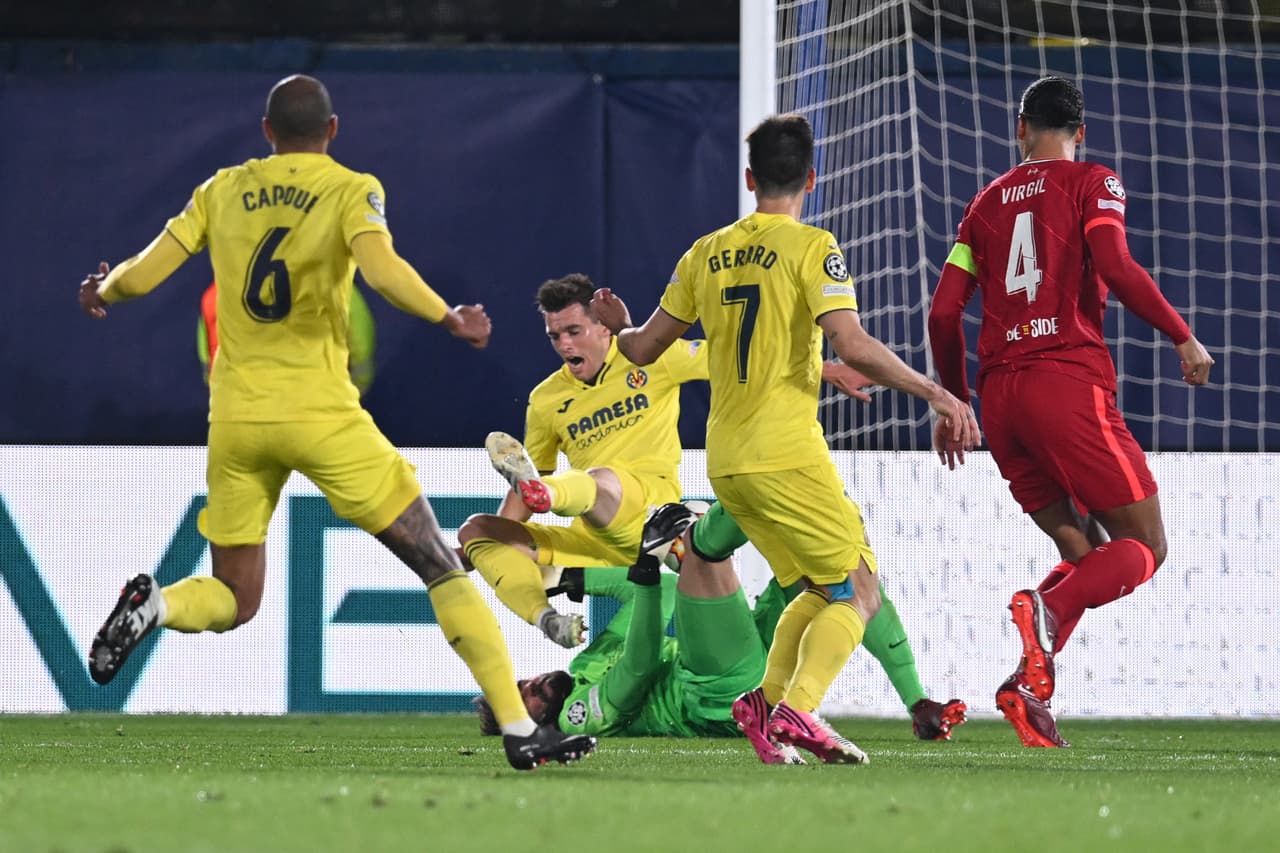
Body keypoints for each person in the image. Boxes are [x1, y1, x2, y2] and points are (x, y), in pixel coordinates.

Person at [76, 74, 594, 771]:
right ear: (333, 129)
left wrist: (102, 290)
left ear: (267, 131)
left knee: (235, 595)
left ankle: (158, 606)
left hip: (236, 420)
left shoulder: (221, 189)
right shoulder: (352, 188)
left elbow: (142, 273)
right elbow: (380, 270)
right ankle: (518, 726)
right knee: (439, 564)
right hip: (320, 415)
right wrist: (448, 316)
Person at [590, 113, 979, 763]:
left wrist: (623, 323)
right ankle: (799, 709)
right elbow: (852, 342)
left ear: (749, 179)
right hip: (786, 452)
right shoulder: (812, 246)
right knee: (859, 588)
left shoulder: (703, 253)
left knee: (821, 589)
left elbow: (643, 348)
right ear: (812, 178)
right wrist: (937, 393)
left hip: (726, 462)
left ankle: (763, 705)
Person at [926, 76, 1214, 748]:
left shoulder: (983, 205)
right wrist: (1182, 335)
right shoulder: (1093, 182)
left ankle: (1026, 688)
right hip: (1065, 384)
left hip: (1000, 401)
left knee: (1084, 551)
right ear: (1080, 132)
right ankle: (1045, 610)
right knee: (1146, 545)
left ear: (1019, 129)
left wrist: (954, 401)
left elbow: (943, 313)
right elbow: (1114, 263)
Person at [458, 273, 890, 650]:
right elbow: (526, 491)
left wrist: (829, 370)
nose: (564, 344)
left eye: (573, 331)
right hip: (595, 541)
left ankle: (549, 498)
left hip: (653, 519)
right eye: (555, 336)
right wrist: (486, 545)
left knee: (601, 479)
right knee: (477, 529)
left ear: (604, 326)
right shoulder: (546, 399)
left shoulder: (652, 358)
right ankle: (548, 620)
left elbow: (738, 359)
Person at [482, 502, 966, 753]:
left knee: (842, 574)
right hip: (716, 694)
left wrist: (568, 578)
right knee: (708, 550)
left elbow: (660, 592)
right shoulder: (574, 719)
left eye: (521, 682)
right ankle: (739, 501)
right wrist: (645, 569)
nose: (532, 686)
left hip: (746, 654)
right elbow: (641, 664)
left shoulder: (584, 664)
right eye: (525, 701)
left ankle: (917, 702)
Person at [198, 280, 377, 395]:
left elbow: (208, 357)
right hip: (316, 403)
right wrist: (356, 387)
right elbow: (361, 341)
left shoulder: (216, 293)